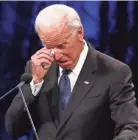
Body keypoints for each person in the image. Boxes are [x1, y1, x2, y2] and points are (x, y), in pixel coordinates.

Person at [5, 4, 138, 140]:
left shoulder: (114, 72)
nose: (56, 55)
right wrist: (35, 82)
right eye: (48, 47)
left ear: (79, 33)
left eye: (61, 46)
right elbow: (13, 129)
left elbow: (129, 128)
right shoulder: (37, 68)